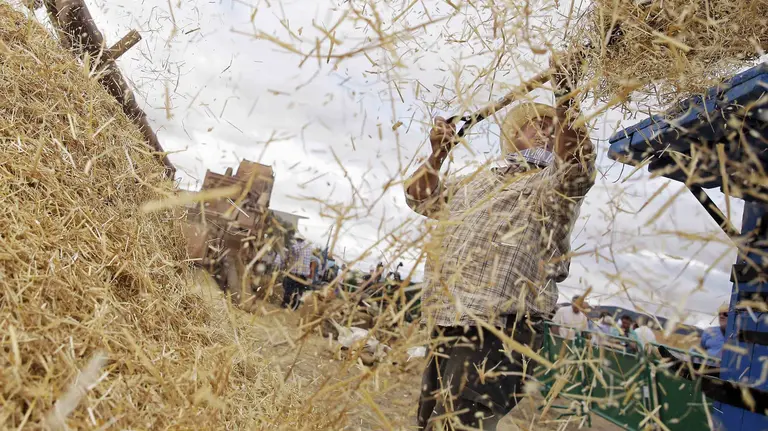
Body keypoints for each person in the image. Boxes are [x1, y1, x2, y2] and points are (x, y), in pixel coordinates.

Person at [405, 56, 595, 430]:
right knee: (429, 422)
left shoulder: (550, 186)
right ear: (514, 138)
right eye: (535, 126)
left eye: (552, 127)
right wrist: (438, 154)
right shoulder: (475, 182)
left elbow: (577, 165)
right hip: (448, 317)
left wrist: (567, 96)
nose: (544, 131)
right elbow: (418, 198)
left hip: (501, 326)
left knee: (460, 424)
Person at [281, 234, 312, 310]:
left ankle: (285, 304)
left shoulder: (296, 245)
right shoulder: (309, 247)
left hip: (295, 272)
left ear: (297, 239)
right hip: (304, 274)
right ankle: (295, 306)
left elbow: (289, 253)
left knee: (288, 289)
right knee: (299, 291)